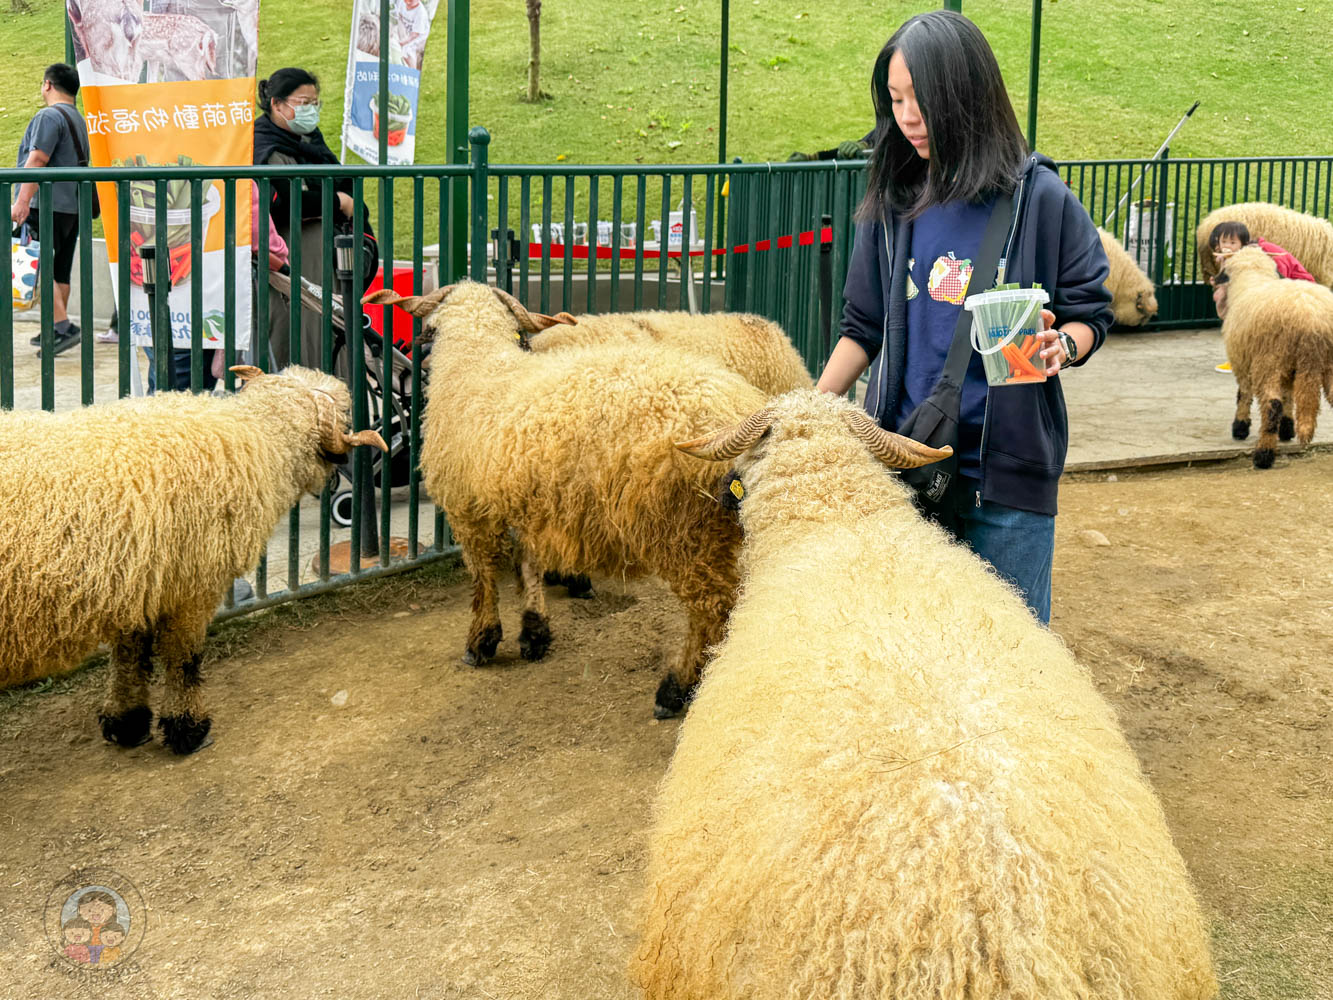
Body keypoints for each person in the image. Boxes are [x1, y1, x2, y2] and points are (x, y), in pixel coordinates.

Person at [815, 11, 1112, 625]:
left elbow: (1090, 310)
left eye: (921, 99)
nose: (907, 117)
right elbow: (860, 327)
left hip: (1006, 480)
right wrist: (808, 409)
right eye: (895, 100)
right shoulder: (892, 202)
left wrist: (1066, 345)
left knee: (1012, 657)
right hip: (901, 466)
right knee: (911, 653)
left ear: (966, 94)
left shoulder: (1043, 199)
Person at [253, 67, 365, 371]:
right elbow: (280, 199)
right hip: (286, 262)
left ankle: (334, 408)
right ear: (276, 104)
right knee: (291, 337)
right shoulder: (263, 146)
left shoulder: (311, 142)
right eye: (303, 103)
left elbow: (342, 181)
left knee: (328, 334)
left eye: (315, 103)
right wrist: (338, 202)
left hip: (323, 262)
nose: (311, 110)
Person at [10, 64, 90, 357]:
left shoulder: (48, 116)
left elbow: (38, 159)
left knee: (38, 265)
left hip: (47, 204)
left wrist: (21, 200)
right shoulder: (78, 119)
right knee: (61, 270)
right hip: (73, 206)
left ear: (47, 85)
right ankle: (55, 328)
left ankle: (63, 326)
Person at [1209, 220, 1316, 320]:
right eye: (1223, 242)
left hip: (1300, 288)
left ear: (1243, 243)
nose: (1227, 246)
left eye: (1232, 243)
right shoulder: (1236, 256)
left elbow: (1279, 274)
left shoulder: (1263, 252)